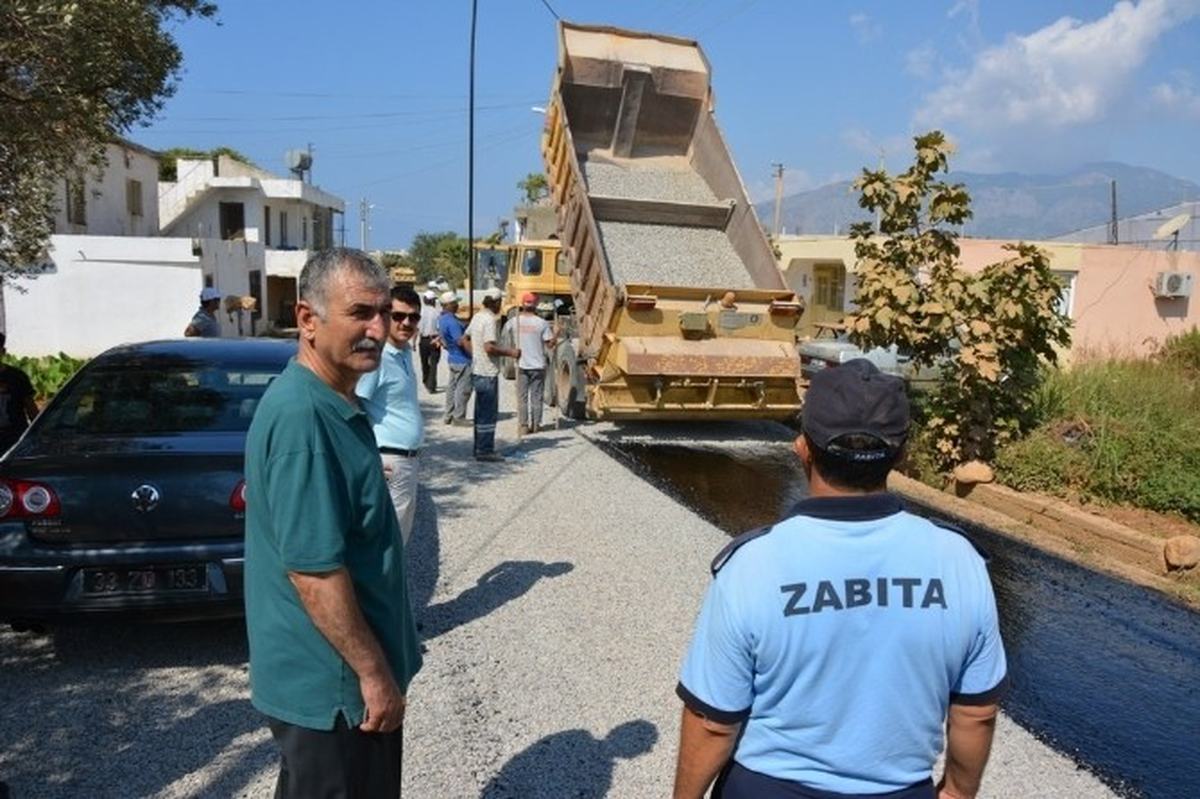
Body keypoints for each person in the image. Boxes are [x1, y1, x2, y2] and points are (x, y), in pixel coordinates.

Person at [674, 358, 1008, 799]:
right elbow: (977, 712)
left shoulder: (754, 564)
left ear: (802, 449)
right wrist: (958, 793)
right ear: (902, 454)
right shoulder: (957, 559)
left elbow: (714, 723)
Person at [243, 247, 422, 799]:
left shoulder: (329, 401)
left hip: (335, 685)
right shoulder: (304, 419)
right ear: (307, 319)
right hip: (335, 689)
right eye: (360, 314)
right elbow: (315, 575)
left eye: (384, 313)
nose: (378, 328)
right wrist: (373, 674)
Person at [356, 285, 425, 547]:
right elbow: (355, 406)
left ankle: (392, 587)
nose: (406, 323)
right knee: (388, 541)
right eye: (398, 316)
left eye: (413, 317)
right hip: (389, 461)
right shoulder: (378, 358)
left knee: (399, 537)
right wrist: (367, 457)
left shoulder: (404, 353)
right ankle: (384, 588)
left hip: (406, 460)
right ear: (385, 316)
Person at [462, 287, 519, 462]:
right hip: (487, 373)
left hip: (478, 370)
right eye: (499, 302)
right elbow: (489, 347)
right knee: (488, 412)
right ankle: (485, 450)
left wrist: (474, 355)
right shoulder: (489, 321)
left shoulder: (477, 317)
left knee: (480, 412)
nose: (500, 305)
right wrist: (510, 352)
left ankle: (478, 447)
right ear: (495, 302)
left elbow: (464, 338)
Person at [513, 291, 555, 435]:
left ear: (522, 305)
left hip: (521, 365)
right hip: (538, 365)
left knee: (522, 396)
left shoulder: (515, 321)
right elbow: (550, 345)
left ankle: (523, 426)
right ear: (536, 304)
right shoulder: (541, 323)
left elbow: (506, 336)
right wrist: (557, 333)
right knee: (537, 396)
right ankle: (536, 424)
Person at [436, 291, 472, 427]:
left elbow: (444, 340)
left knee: (451, 388)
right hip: (462, 359)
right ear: (449, 305)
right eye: (455, 303)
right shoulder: (452, 322)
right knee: (463, 389)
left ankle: (449, 414)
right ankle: (459, 417)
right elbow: (460, 341)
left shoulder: (442, 320)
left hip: (452, 358)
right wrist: (473, 355)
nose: (458, 305)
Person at [0, 333, 39, 453]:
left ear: (3, 351)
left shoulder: (17, 377)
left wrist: (38, 432)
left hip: (13, 441)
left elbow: (31, 409)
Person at [417, 289, 441, 394]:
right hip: (434, 339)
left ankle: (426, 380)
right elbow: (440, 329)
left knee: (424, 362)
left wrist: (413, 342)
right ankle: (432, 385)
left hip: (423, 340)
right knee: (434, 363)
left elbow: (417, 329)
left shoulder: (420, 312)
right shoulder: (437, 313)